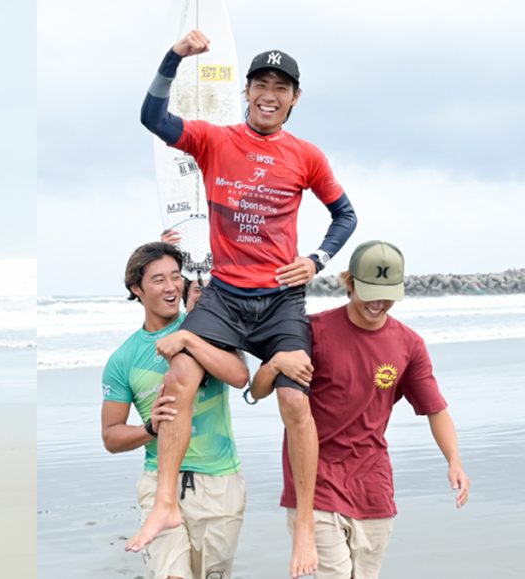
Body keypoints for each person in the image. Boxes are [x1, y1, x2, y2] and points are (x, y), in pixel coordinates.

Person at [131, 29, 358, 579]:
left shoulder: (306, 156)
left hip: (282, 300)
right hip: (228, 294)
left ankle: (304, 524)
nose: (269, 93)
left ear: (294, 98)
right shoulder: (215, 140)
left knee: (295, 403)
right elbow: (152, 118)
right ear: (248, 90)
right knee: (180, 371)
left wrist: (319, 259)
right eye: (261, 83)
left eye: (281, 87)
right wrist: (173, 59)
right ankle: (165, 500)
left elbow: (345, 215)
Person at [249, 241, 470, 579]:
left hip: (372, 484)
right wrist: (276, 361)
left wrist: (454, 460)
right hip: (314, 481)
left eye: (387, 294)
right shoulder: (312, 330)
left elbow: (435, 409)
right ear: (349, 283)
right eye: (369, 292)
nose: (378, 303)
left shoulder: (409, 345)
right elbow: (259, 389)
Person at [102, 242, 249, 579]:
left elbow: (240, 376)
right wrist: (149, 428)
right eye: (158, 280)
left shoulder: (207, 330)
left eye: (175, 277)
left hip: (219, 481)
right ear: (136, 289)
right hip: (158, 482)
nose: (170, 287)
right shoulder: (122, 360)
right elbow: (111, 436)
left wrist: (189, 340)